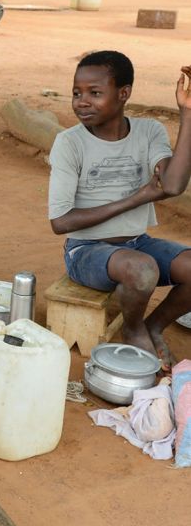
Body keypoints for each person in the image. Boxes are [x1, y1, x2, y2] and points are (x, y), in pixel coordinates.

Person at [48, 51, 191, 370]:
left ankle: (154, 326)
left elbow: (172, 185)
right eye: (77, 93)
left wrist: (188, 113)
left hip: (136, 243)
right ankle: (133, 328)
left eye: (95, 93)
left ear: (123, 93)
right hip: (86, 251)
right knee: (141, 269)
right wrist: (137, 198)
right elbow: (60, 222)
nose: (82, 102)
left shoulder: (149, 132)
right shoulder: (69, 143)